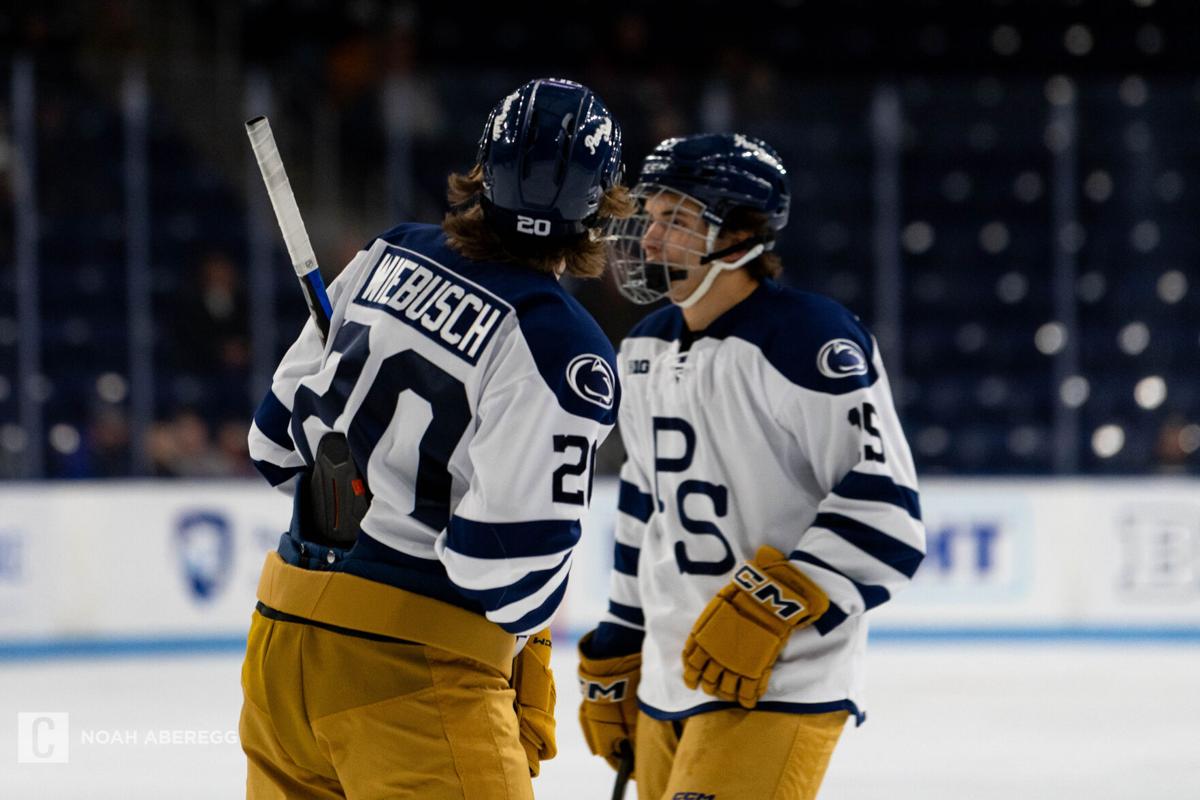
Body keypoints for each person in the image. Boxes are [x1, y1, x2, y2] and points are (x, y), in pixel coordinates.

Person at [240, 77, 631, 799]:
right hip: (408, 676)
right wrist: (528, 640)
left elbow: (270, 444)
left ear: (484, 168)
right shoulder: (560, 347)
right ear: (599, 206)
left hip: (280, 646)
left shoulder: (391, 251)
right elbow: (502, 570)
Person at [577, 133, 926, 800]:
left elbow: (886, 517)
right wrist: (624, 639)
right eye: (649, 216)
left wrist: (771, 607)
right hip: (665, 680)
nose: (649, 241)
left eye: (676, 220)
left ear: (739, 237)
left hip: (781, 681)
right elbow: (642, 509)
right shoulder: (643, 348)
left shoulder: (809, 340)